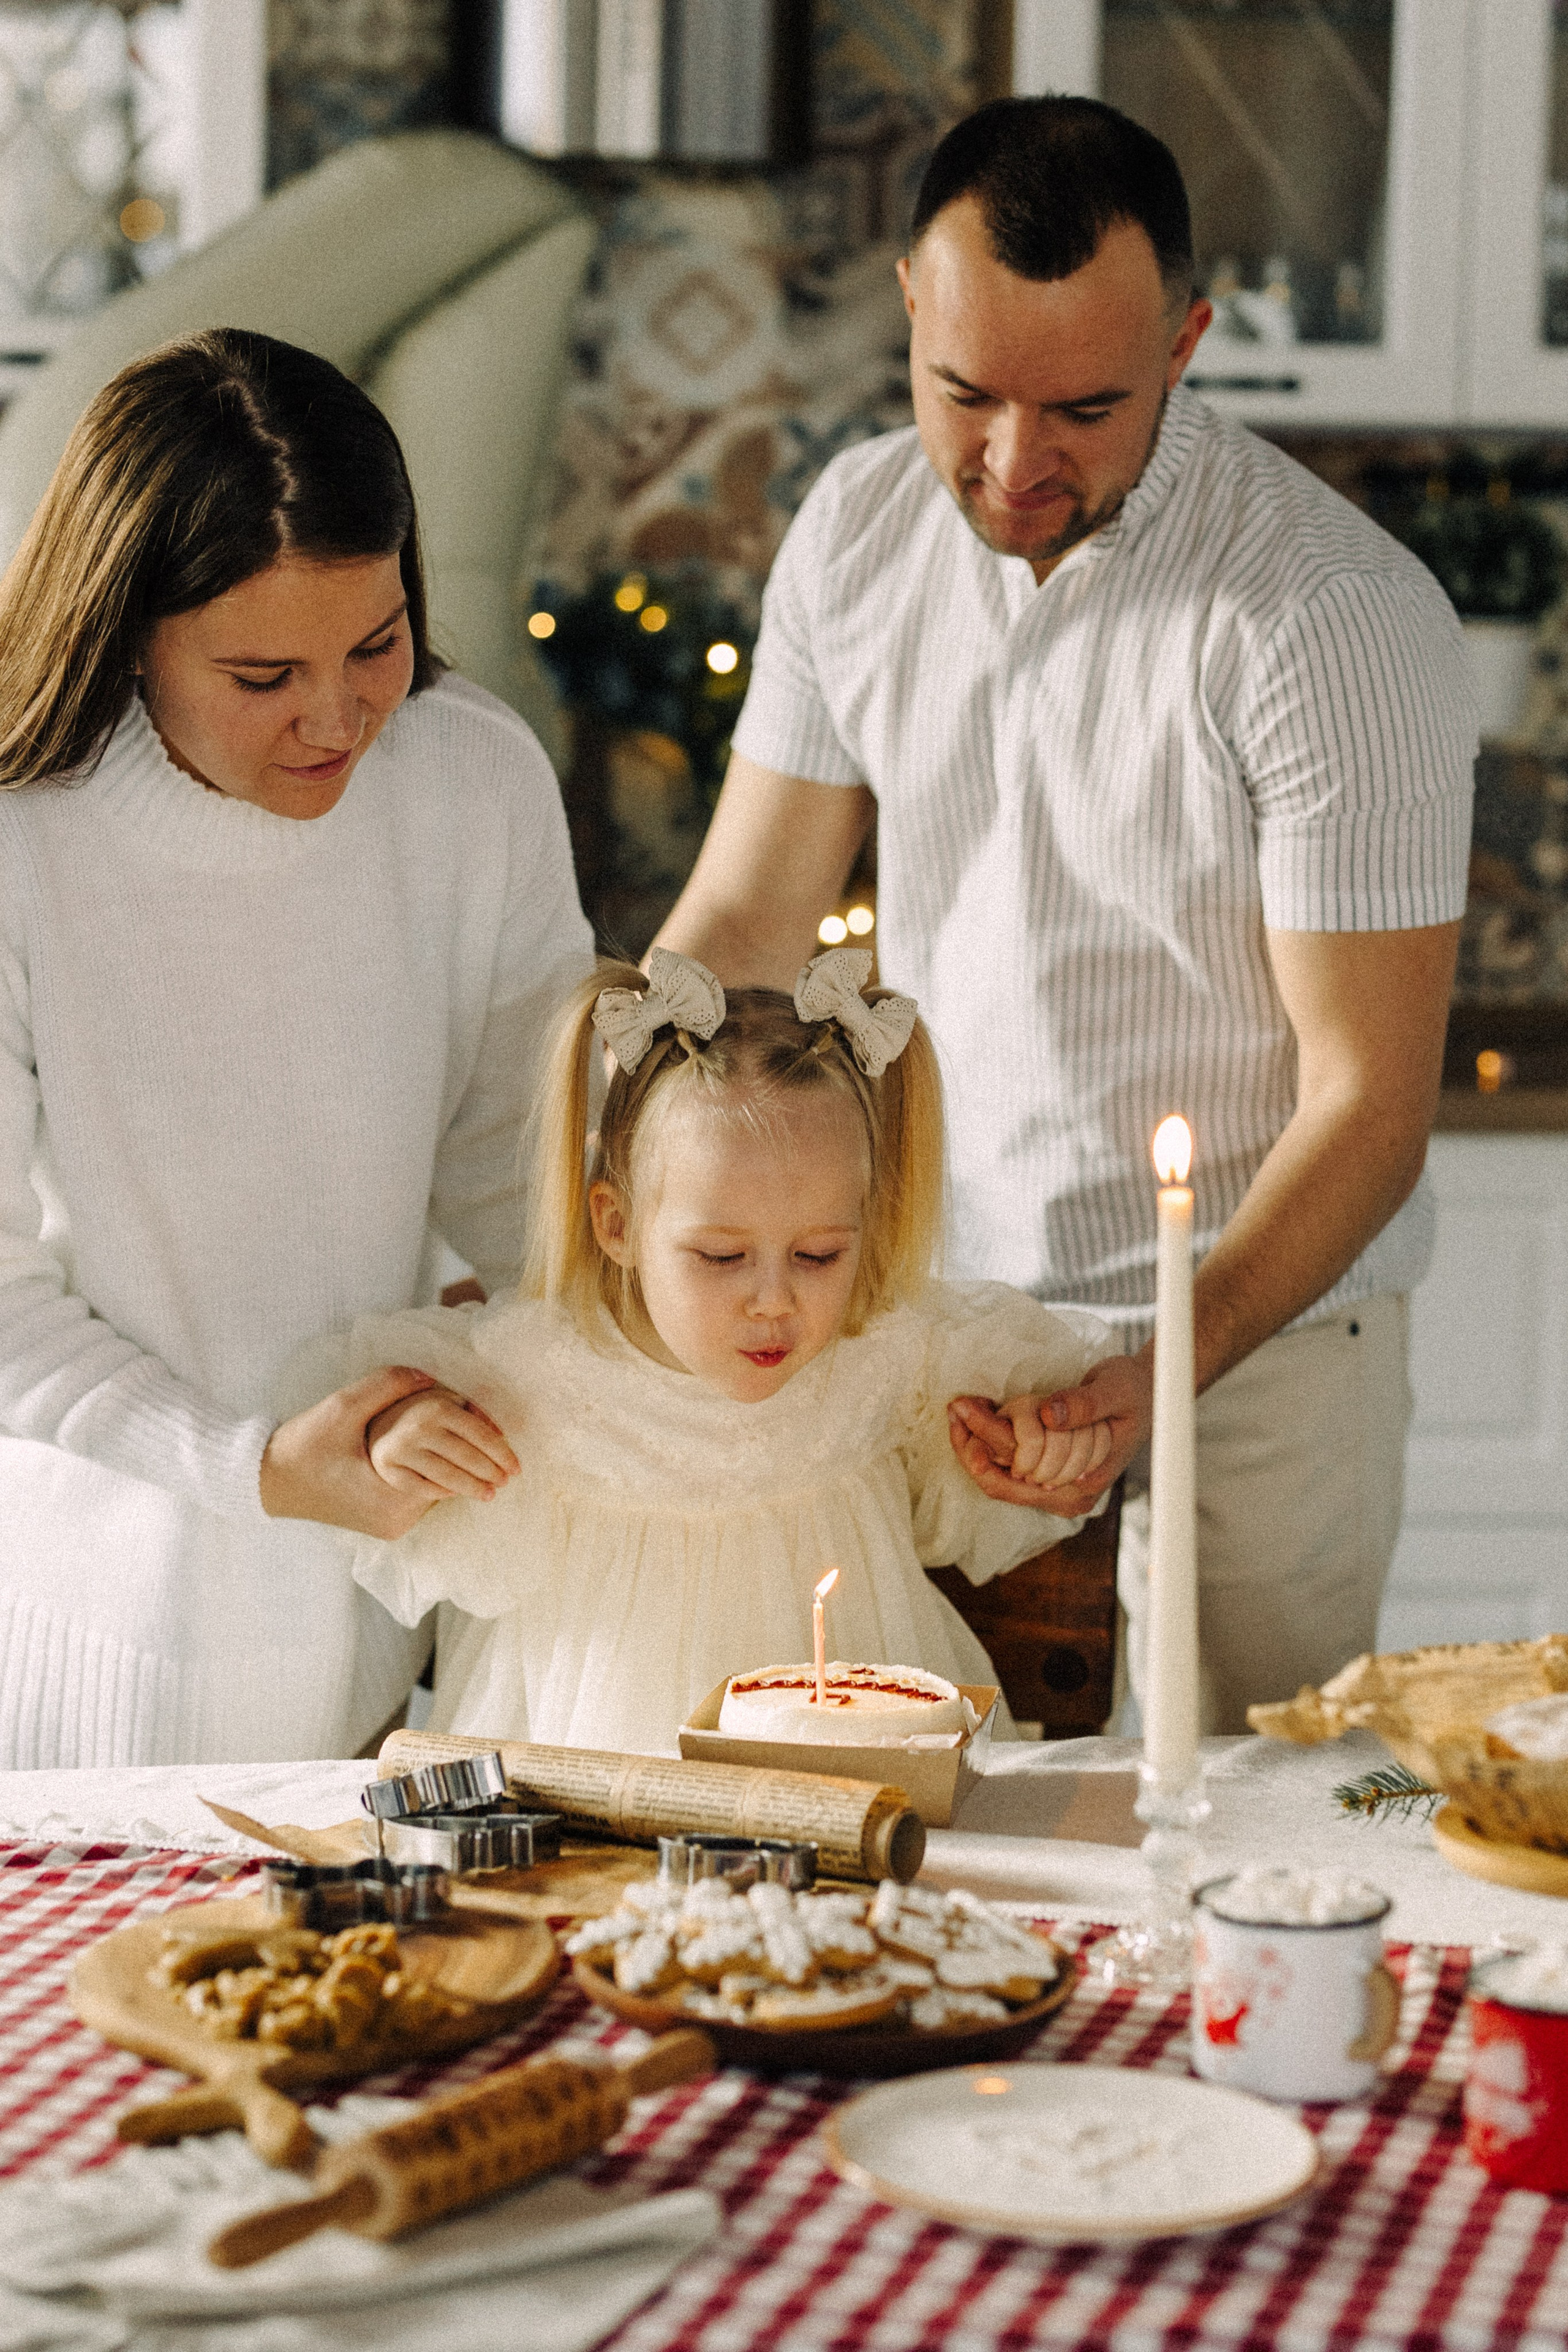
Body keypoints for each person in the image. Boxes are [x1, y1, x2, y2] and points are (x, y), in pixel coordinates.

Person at [654, 97, 1479, 1730]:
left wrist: (1166, 1358)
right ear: (910, 303)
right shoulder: (856, 533)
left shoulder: (1331, 616)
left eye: (1086, 408)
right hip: (942, 1325)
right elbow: (749, 914)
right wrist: (597, 1146)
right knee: (949, 1826)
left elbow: (1371, 1104)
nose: (1016, 466)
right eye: (967, 393)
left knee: (1235, 1834)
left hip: (1262, 1347)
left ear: (1187, 340)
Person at [0, 327, 593, 1769]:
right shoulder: (24, 839)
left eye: (376, 643)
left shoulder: (472, 778)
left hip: (382, 1628)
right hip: (90, 1649)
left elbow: (535, 1194)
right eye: (263, 673)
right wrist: (254, 1470)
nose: (337, 717)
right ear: (130, 635)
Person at [284, 947, 1117, 1754]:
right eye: (721, 1257)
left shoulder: (887, 1353)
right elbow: (370, 1465)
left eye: (820, 1254)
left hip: (857, 1768)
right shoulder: (534, 1377)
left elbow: (1018, 1440)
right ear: (616, 1225)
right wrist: (402, 1440)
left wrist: (1042, 1440)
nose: (774, 1300)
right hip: (600, 1768)